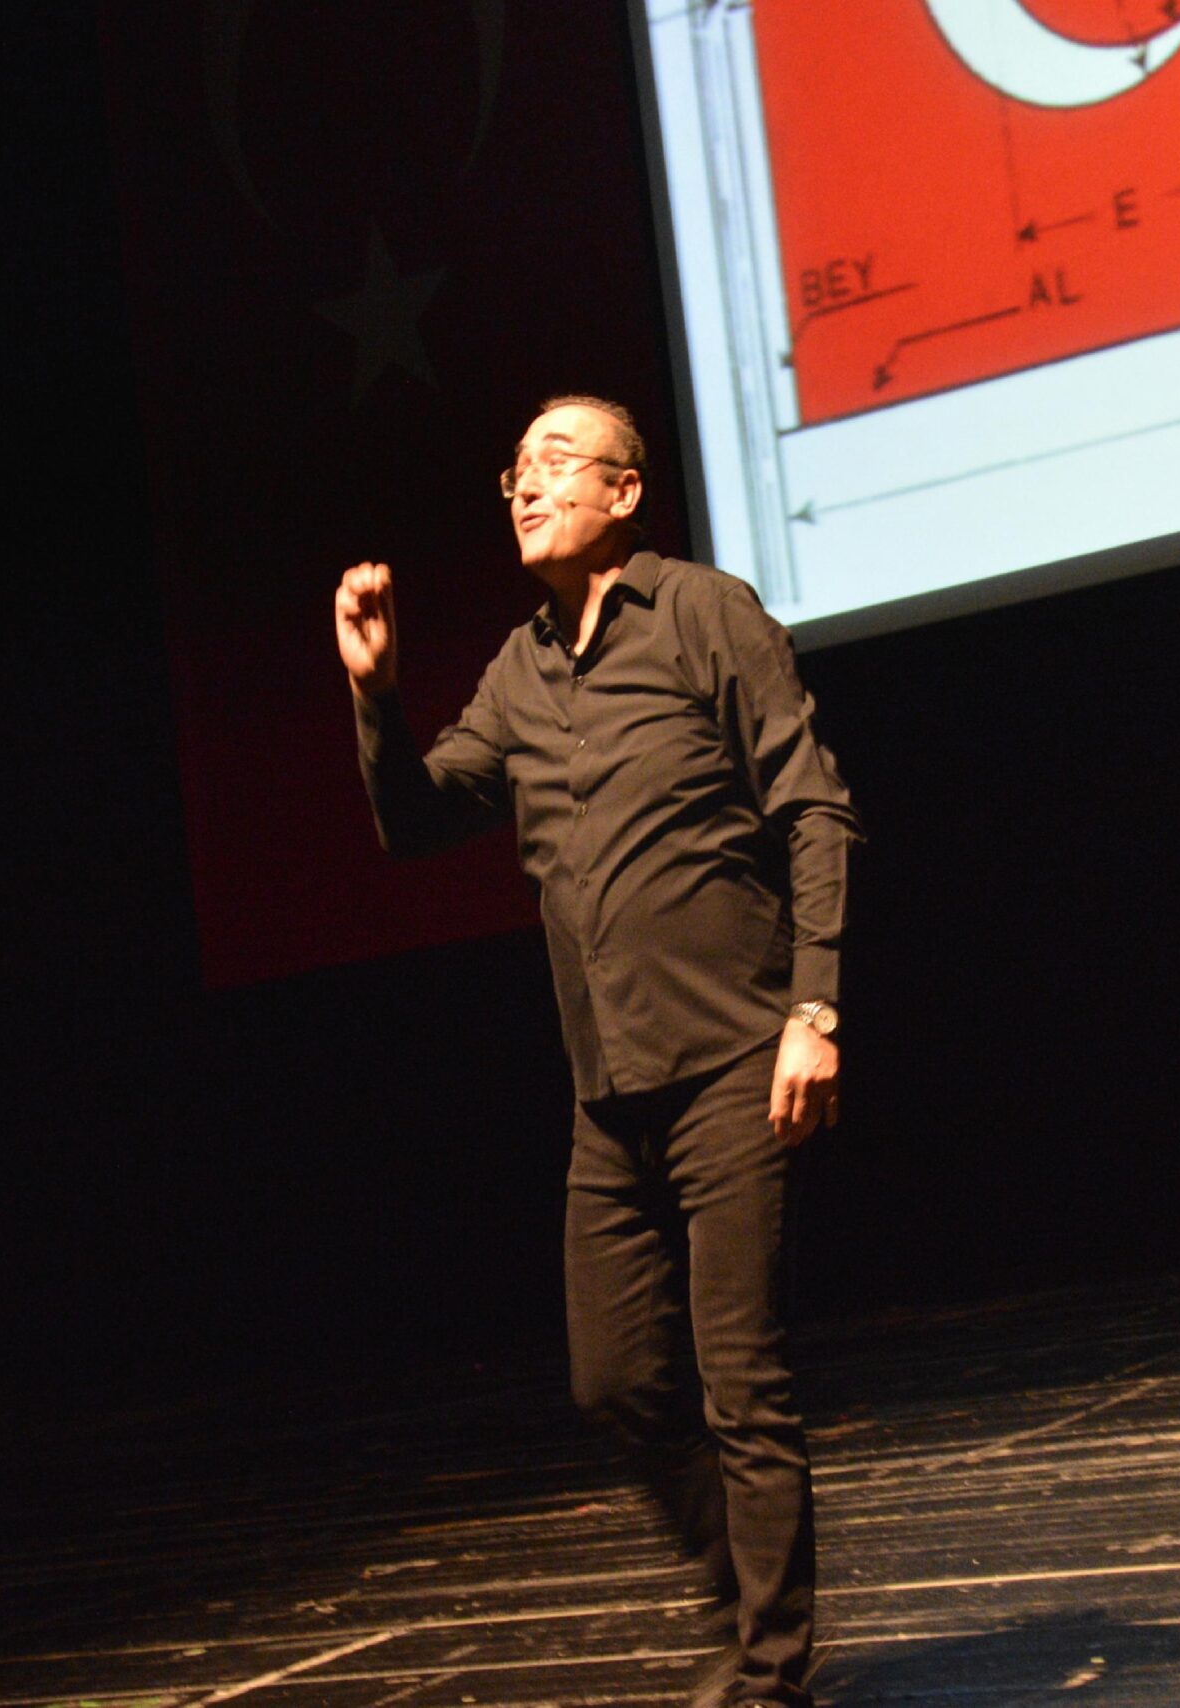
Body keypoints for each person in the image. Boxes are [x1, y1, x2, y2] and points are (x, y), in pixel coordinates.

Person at [334, 396, 859, 1707]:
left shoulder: (703, 613)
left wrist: (814, 1011)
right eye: (515, 469)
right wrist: (376, 696)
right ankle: (746, 1590)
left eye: (555, 462)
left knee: (742, 1381)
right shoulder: (518, 672)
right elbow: (414, 822)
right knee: (612, 1383)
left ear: (625, 492)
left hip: (737, 1059)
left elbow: (813, 806)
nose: (526, 484)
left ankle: (773, 1675)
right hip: (608, 1091)